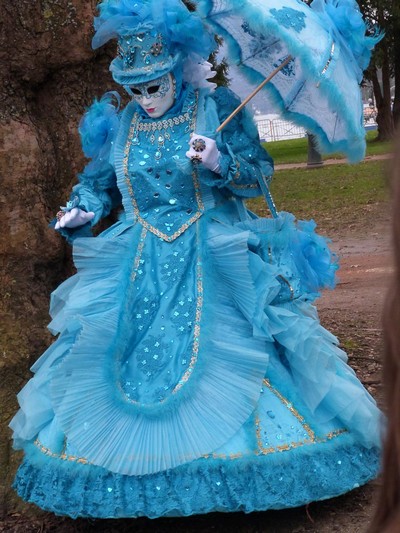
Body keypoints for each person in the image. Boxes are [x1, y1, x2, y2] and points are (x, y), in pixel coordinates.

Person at [10, 0, 382, 519]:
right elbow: (99, 186)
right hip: (138, 259)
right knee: (117, 353)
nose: (146, 98)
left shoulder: (217, 109)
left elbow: (257, 178)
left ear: (175, 71)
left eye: (155, 86)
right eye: (135, 89)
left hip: (213, 251)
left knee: (240, 345)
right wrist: (81, 210)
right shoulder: (122, 125)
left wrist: (218, 160)